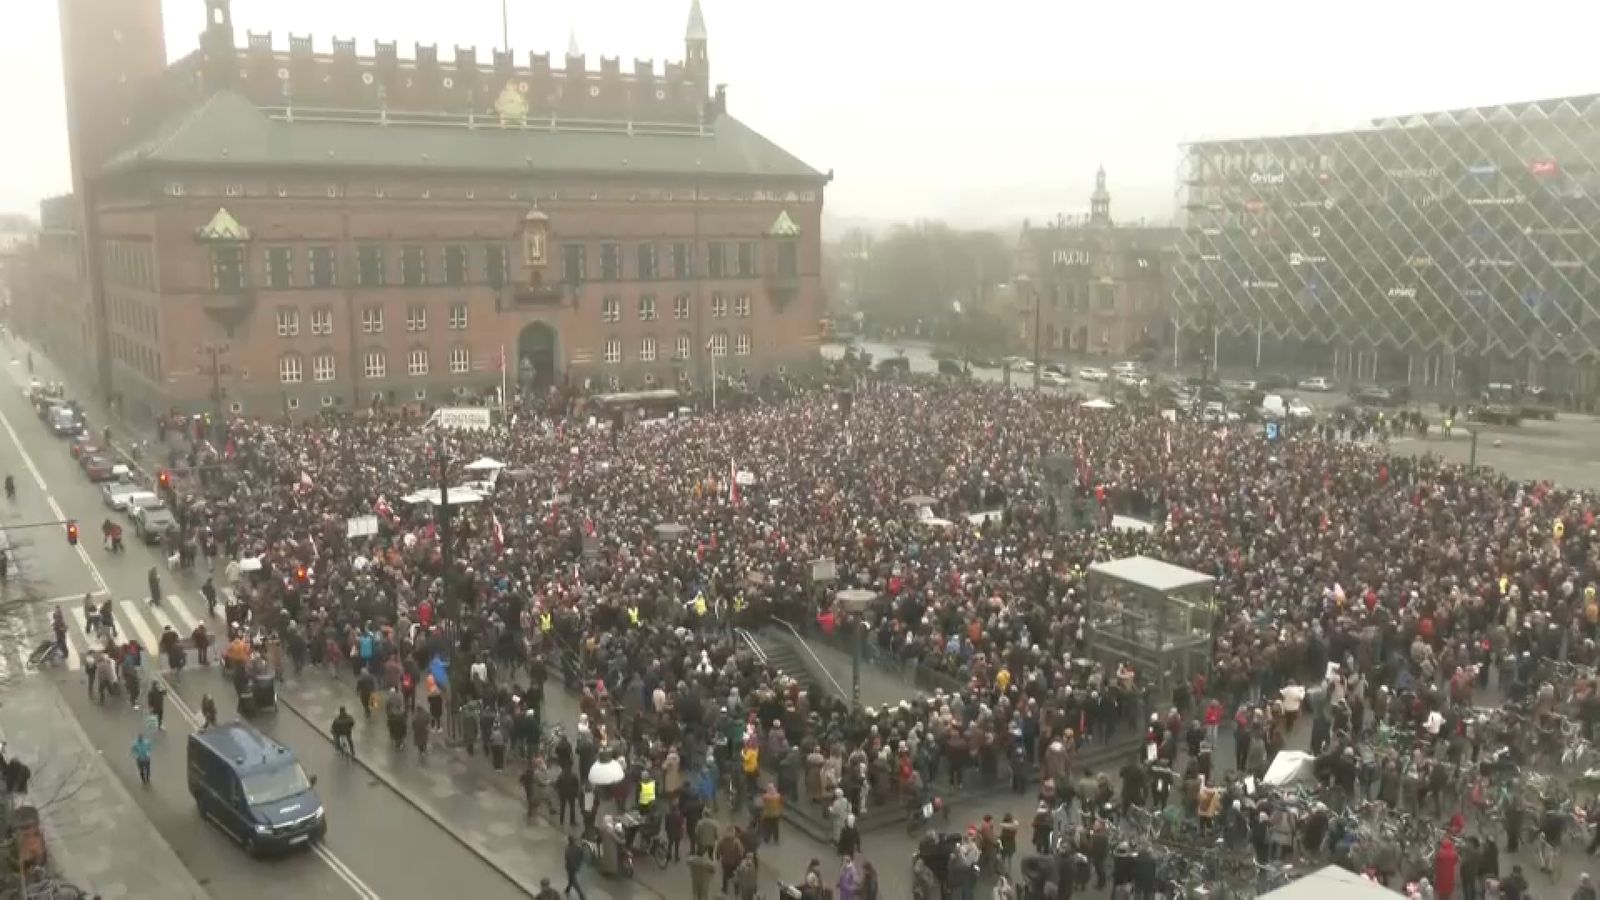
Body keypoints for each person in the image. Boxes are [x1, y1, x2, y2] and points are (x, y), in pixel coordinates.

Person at [563, 834, 587, 900]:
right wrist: (579, 864)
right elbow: (582, 856)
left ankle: (581, 895)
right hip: (576, 866)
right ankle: (567, 889)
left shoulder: (568, 849)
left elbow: (567, 858)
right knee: (571, 879)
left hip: (570, 867)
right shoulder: (578, 848)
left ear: (568, 841)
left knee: (573, 880)